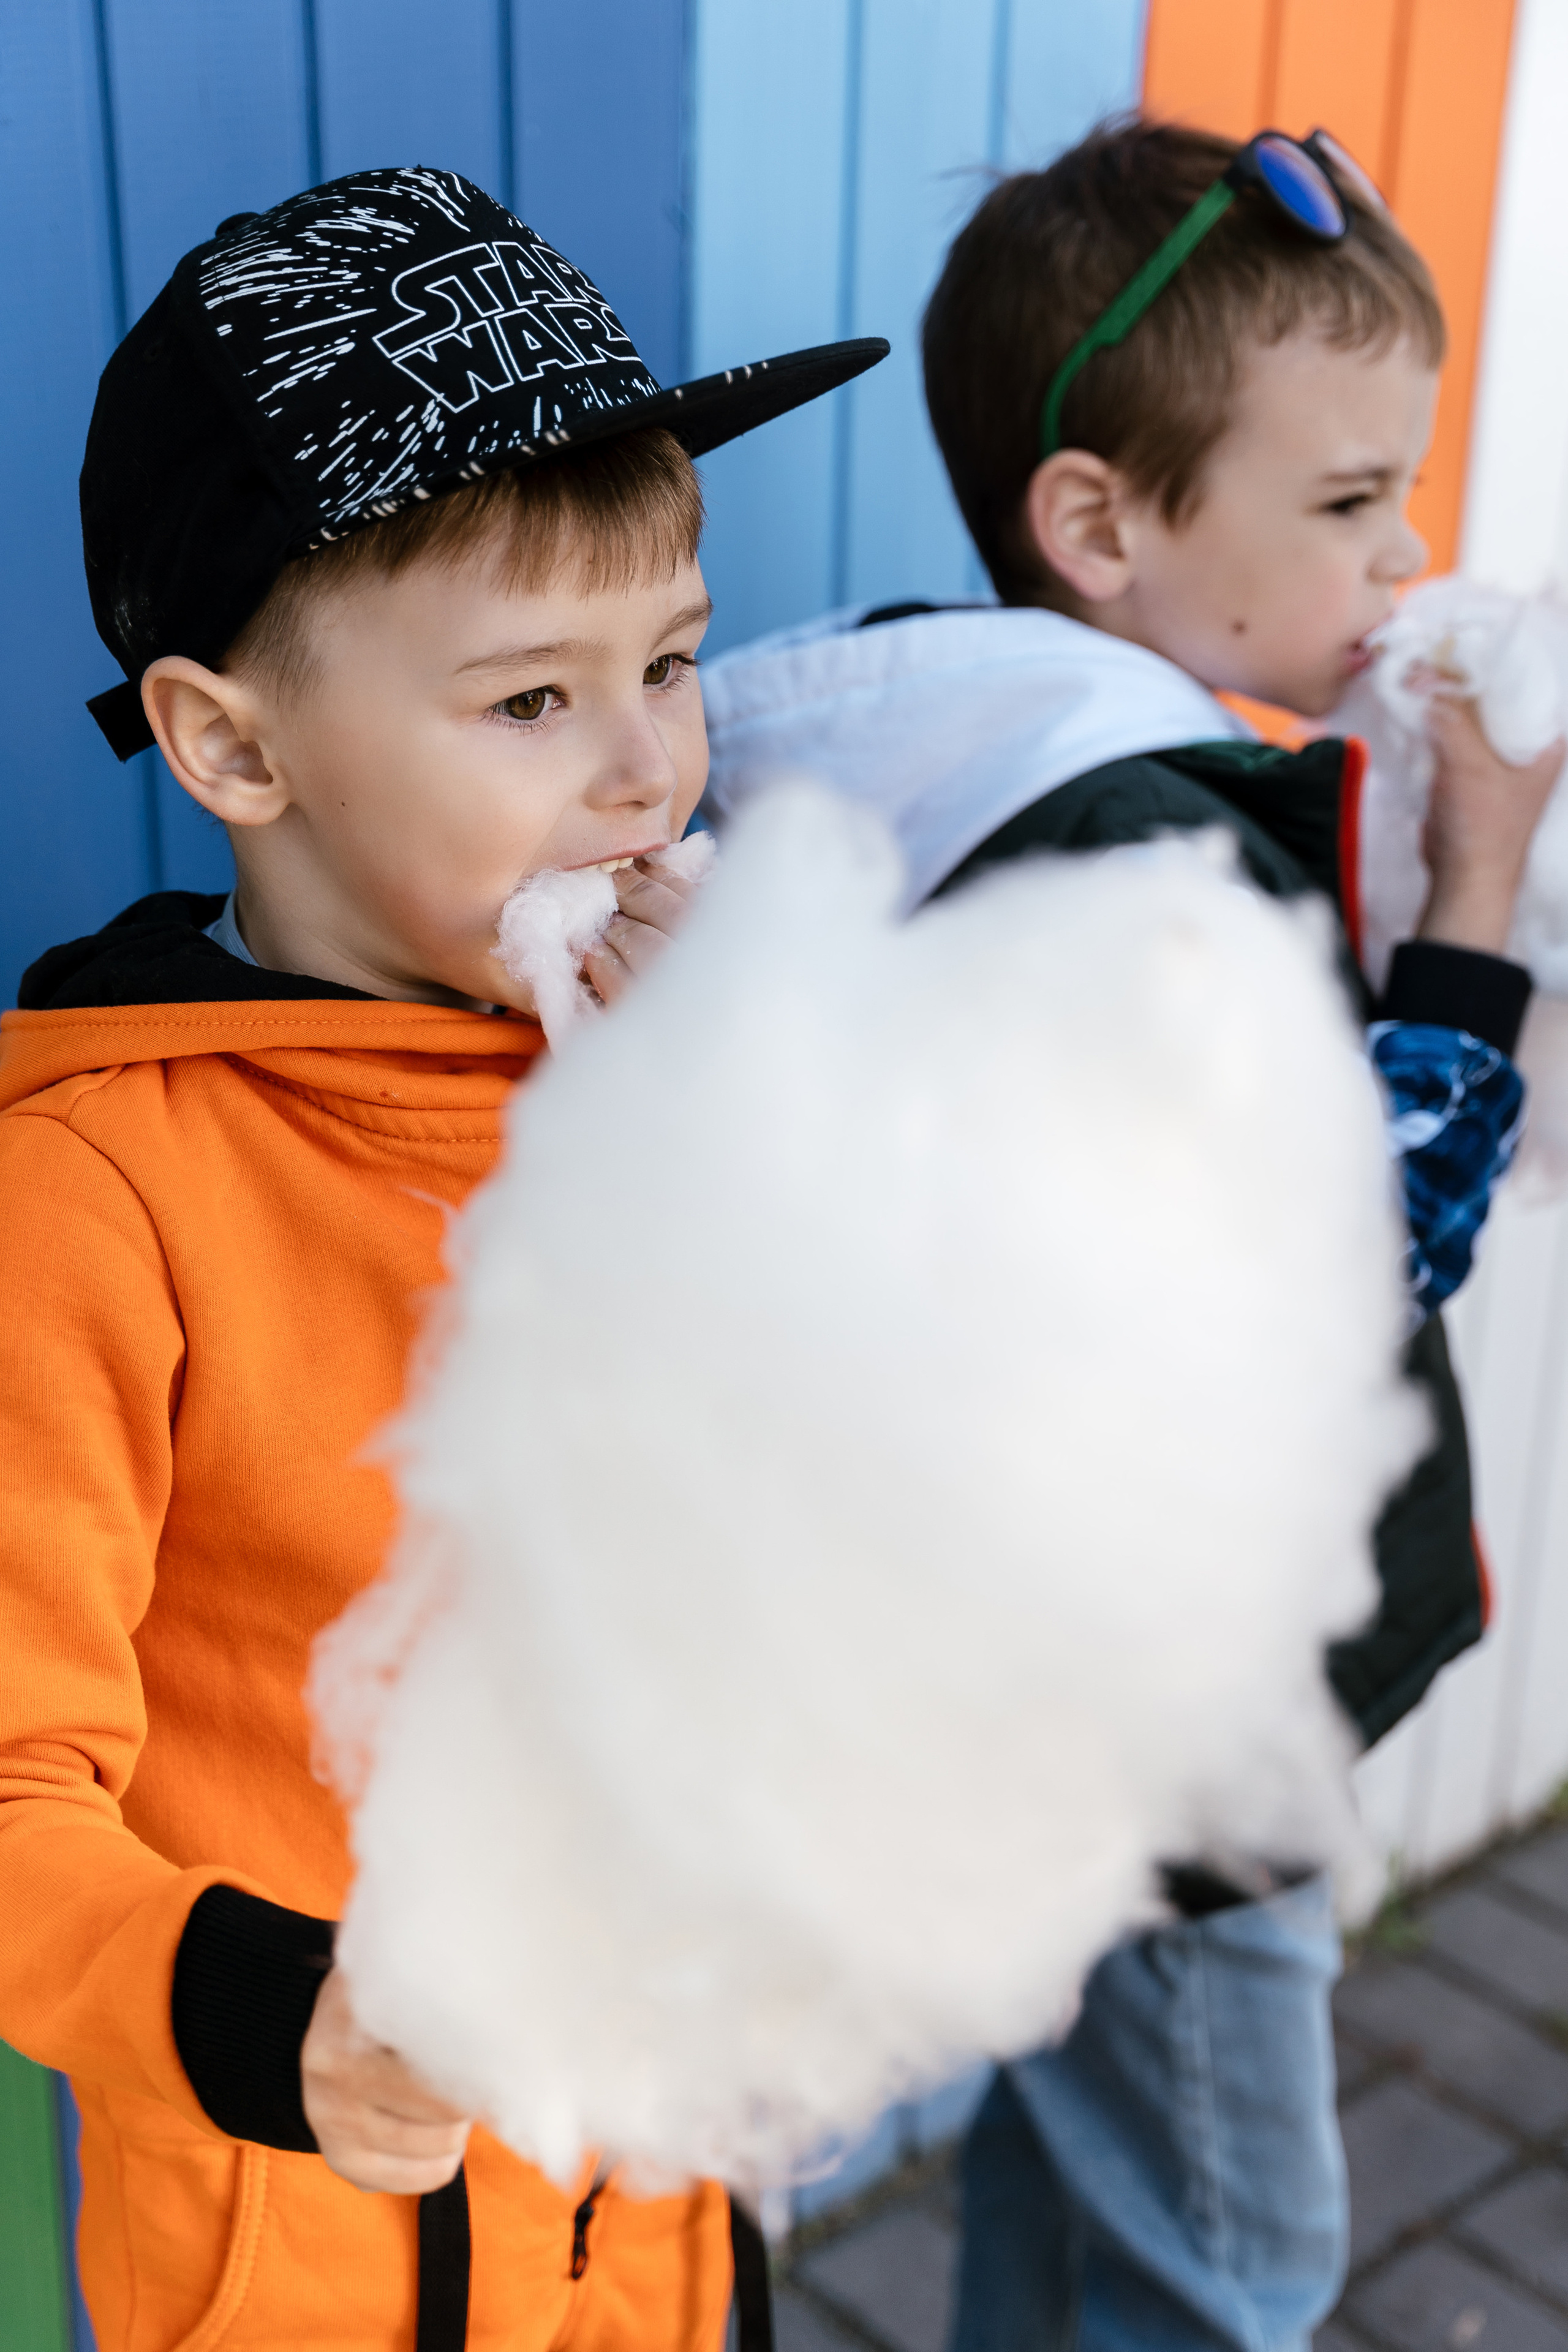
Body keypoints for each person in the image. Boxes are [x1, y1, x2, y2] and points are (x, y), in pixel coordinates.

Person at [0, 165, 883, 2352]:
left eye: (668, 663)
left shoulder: (662, 1067)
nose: (646, 773)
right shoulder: (99, 1192)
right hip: (314, 2235)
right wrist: (272, 2015)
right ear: (231, 743)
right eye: (528, 705)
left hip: (660, 2203)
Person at [699, 119, 1563, 2351]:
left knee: (1079, 2166)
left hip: (1016, 1663)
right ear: (1100, 523)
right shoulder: (1166, 862)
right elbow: (1362, 1257)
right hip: (1179, 1717)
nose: (1410, 553)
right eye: (1354, 501)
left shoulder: (915, 743)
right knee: (1228, 2261)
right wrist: (1474, 886)